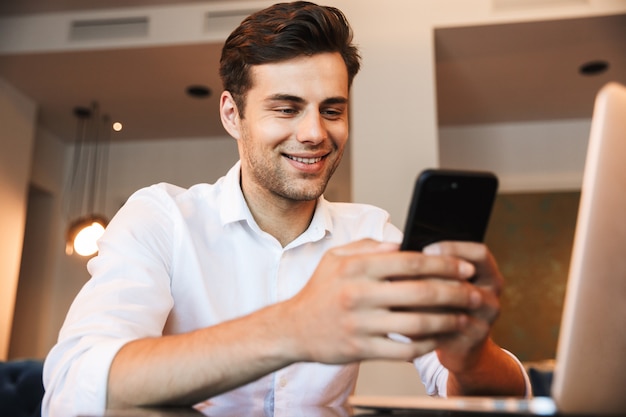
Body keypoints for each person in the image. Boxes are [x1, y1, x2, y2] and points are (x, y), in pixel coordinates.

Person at [42, 2, 528, 416]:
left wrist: (472, 354)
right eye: (286, 108)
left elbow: (497, 398)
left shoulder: (371, 232)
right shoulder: (163, 218)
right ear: (233, 115)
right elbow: (73, 385)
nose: (315, 133)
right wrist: (292, 327)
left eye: (332, 110)